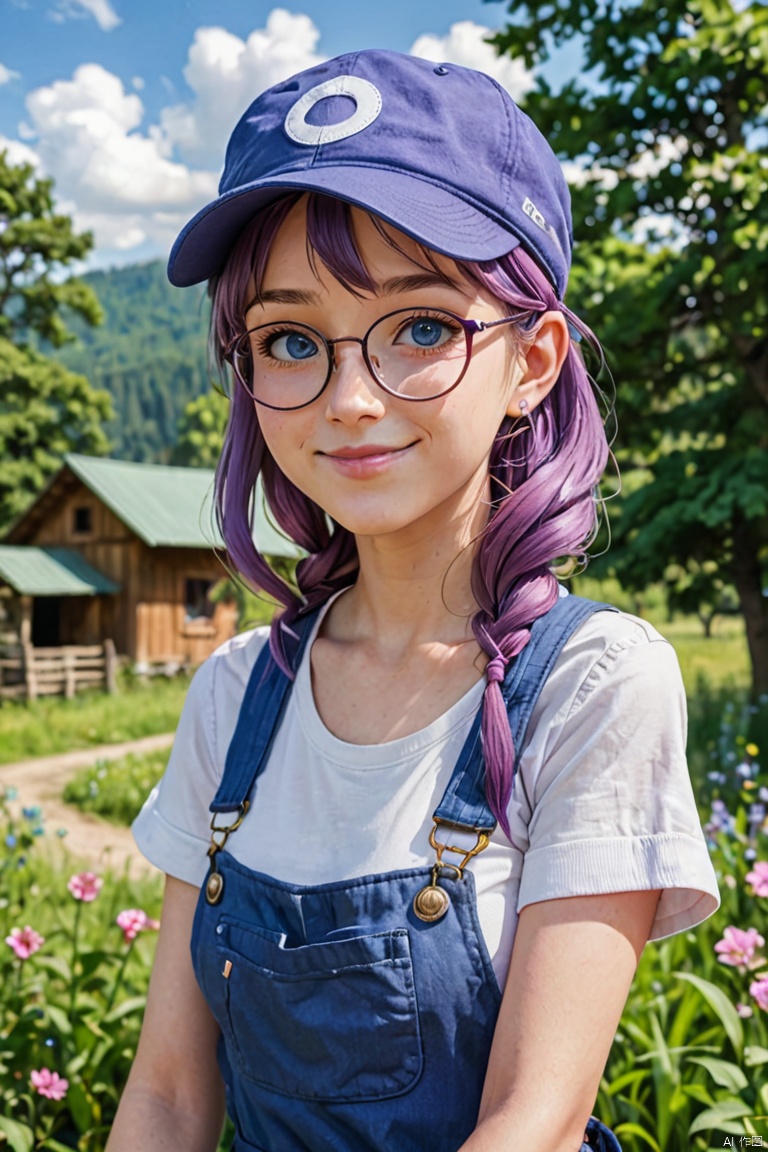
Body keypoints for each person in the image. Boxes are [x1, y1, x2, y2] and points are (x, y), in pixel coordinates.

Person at [107, 49, 720, 1152]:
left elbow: (533, 1119)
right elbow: (167, 1097)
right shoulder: (234, 695)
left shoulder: (589, 685)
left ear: (532, 360)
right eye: (290, 340)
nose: (348, 399)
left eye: (423, 327)